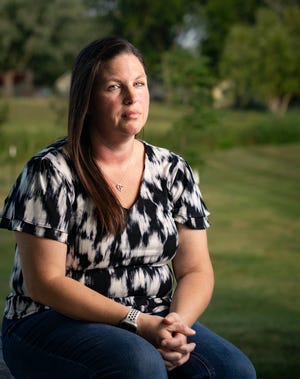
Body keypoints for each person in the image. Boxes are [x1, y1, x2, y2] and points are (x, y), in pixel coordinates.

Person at [0, 36, 256, 379]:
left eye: (139, 83)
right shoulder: (50, 172)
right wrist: (137, 323)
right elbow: (44, 282)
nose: (132, 96)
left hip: (152, 317)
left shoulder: (173, 170)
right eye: (114, 87)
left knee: (233, 370)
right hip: (49, 322)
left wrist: (175, 326)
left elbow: (196, 269)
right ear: (87, 99)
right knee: (139, 364)